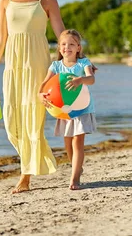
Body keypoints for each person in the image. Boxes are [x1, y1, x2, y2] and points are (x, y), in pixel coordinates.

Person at [0, 0, 65, 194]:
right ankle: (34, 162)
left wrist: (74, 61)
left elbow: (61, 33)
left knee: (33, 121)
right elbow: (1, 38)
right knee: (11, 122)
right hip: (13, 66)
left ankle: (25, 176)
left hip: (37, 64)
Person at [39, 29, 96, 190]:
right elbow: (45, 83)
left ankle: (75, 178)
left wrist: (80, 80)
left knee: (78, 141)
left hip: (82, 108)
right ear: (58, 47)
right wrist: (40, 95)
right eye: (63, 44)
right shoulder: (56, 66)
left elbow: (91, 79)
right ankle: (76, 167)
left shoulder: (83, 63)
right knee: (68, 143)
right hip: (63, 111)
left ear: (78, 47)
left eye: (71, 44)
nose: (67, 47)